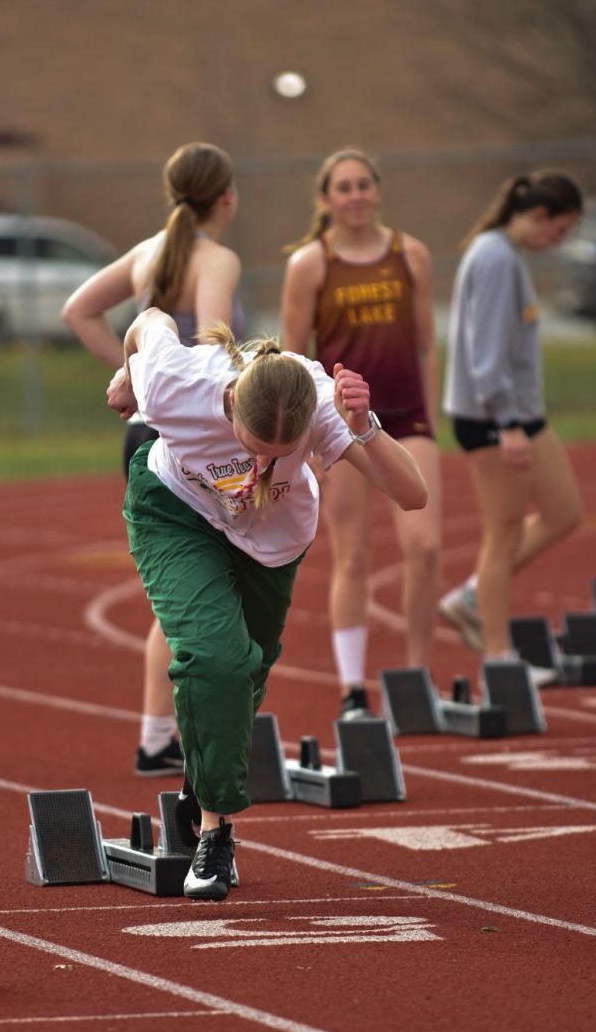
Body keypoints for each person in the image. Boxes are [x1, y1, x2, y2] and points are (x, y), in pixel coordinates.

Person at [112, 307, 427, 899]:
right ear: (229, 406)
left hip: (273, 541)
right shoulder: (177, 381)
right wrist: (128, 372)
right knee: (216, 658)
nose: (260, 467)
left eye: (278, 456)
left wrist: (365, 427)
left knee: (247, 673)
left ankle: (198, 784)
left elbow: (412, 495)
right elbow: (148, 317)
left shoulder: (322, 401)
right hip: (177, 513)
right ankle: (214, 834)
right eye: (253, 449)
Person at [62, 142, 243, 777]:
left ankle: (157, 736)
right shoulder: (216, 258)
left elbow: (77, 310)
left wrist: (131, 372)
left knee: (178, 591)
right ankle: (183, 734)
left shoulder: (148, 252)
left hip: (141, 434)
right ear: (226, 197)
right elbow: (215, 348)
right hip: (192, 439)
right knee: (206, 590)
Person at [280, 147, 442, 718]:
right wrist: (303, 438)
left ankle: (418, 678)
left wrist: (433, 411)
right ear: (326, 199)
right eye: (342, 188)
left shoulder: (410, 254)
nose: (354, 196)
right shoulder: (311, 264)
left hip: (407, 415)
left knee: (425, 547)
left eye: (362, 185)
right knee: (353, 557)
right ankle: (353, 689)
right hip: (339, 423)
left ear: (378, 189)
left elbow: (425, 341)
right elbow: (292, 357)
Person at [439, 171, 584, 681]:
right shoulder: (496, 258)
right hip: (494, 418)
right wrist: (509, 424)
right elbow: (485, 356)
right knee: (500, 535)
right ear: (540, 216)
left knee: (564, 511)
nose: (558, 242)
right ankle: (500, 658)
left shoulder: (503, 254)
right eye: (560, 230)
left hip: (521, 414)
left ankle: (473, 595)